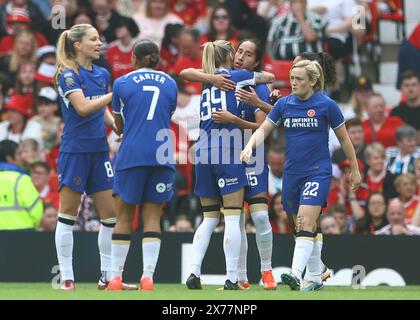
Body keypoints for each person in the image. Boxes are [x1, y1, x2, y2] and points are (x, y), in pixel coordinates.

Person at [241, 59, 361, 291]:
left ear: (313, 81)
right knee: (299, 225)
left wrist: (354, 169)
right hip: (292, 173)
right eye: (292, 78)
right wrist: (249, 147)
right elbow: (265, 127)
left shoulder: (327, 105)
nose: (293, 83)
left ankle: (295, 274)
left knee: (306, 221)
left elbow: (344, 139)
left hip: (317, 171)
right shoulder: (284, 104)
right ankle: (317, 273)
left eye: (298, 79)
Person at [180, 39, 277, 290]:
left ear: (255, 59)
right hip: (229, 149)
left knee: (216, 217)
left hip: (209, 152)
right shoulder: (240, 76)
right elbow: (270, 75)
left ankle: (194, 273)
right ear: (231, 55)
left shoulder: (208, 79)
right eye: (238, 52)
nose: (240, 56)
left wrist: (267, 100)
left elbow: (265, 127)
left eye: (246, 54)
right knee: (234, 218)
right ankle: (234, 277)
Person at [53, 24, 126, 291]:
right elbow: (83, 108)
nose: (99, 43)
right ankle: (67, 276)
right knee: (68, 214)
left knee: (110, 214)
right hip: (75, 151)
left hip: (99, 151)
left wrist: (117, 126)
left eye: (99, 39)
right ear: (77, 45)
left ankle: (106, 277)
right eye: (93, 39)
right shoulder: (67, 74)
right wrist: (115, 93)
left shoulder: (102, 73)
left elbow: (101, 109)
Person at [106, 39, 178, 291]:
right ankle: (148, 277)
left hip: (132, 153)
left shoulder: (122, 83)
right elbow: (164, 116)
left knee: (124, 217)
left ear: (134, 59)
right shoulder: (170, 83)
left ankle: (115, 277)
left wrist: (126, 131)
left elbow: (118, 122)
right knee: (152, 217)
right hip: (161, 153)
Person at [0, 140, 43, 230]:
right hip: (22, 234)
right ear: (9, 158)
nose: (22, 157)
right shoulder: (21, 179)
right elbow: (37, 211)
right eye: (19, 154)